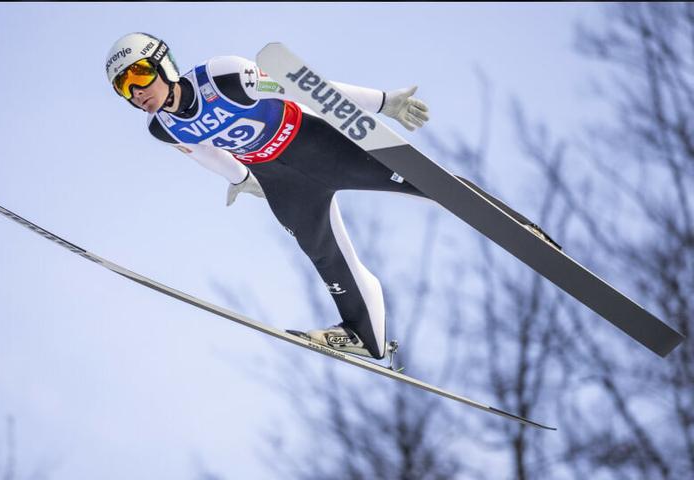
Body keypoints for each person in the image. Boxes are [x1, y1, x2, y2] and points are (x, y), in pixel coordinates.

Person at [105, 32, 557, 360]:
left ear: (163, 64)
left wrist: (383, 103)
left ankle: (516, 225)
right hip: (279, 180)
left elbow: (305, 90)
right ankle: (366, 334)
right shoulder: (163, 127)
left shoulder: (223, 75)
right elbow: (201, 152)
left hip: (314, 145)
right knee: (326, 256)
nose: (138, 91)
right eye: (125, 88)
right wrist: (240, 178)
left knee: (427, 182)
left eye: (140, 75)